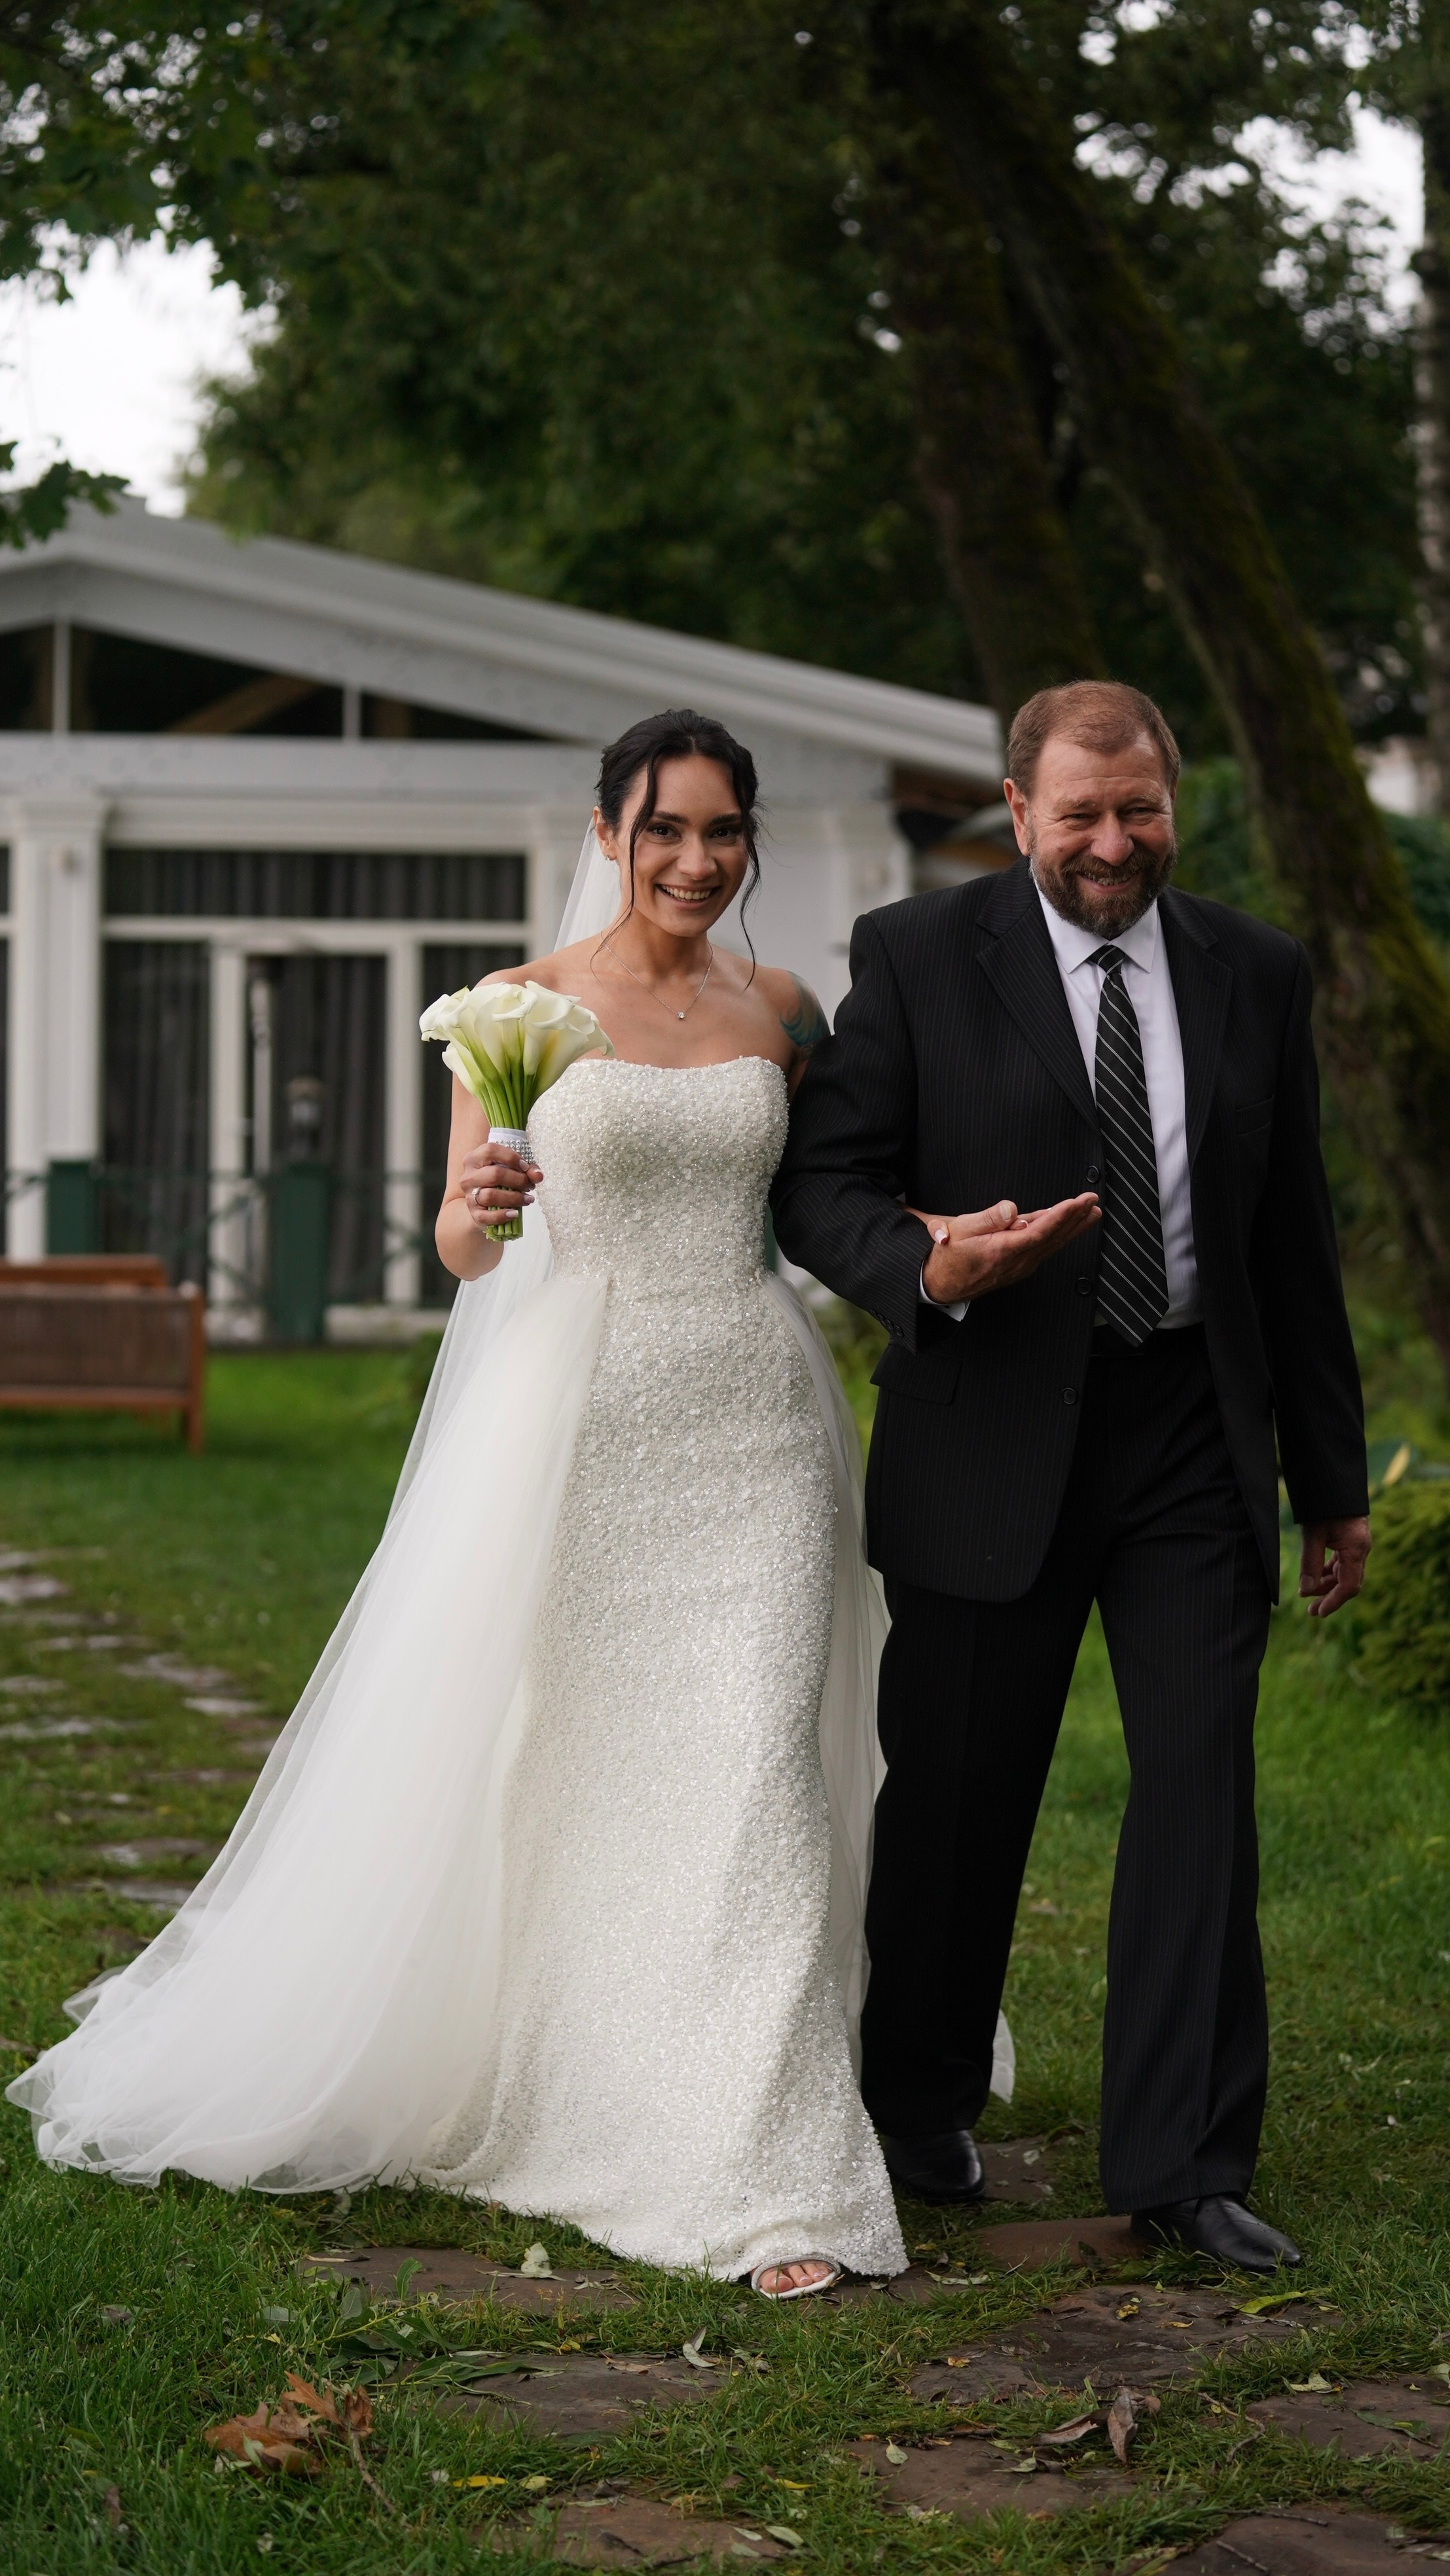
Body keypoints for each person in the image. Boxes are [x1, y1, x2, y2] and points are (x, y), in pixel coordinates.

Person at [10, 707, 941, 2297]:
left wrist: (941, 1240)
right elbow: (460, 1249)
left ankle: (765, 2162)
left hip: (760, 1423)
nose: (695, 861)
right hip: (584, 1418)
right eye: (665, 830)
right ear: (607, 834)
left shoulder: (783, 1010)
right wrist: (476, 1202)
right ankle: (592, 2075)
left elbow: (829, 1197)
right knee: (585, 1766)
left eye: (723, 832)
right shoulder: (517, 1011)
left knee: (756, 1766)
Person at [772, 679, 1369, 2274]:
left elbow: (1289, 1243)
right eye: (1081, 814)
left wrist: (1330, 1477)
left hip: (1188, 1430)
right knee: (961, 1795)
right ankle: (914, 2104)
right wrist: (929, 1266)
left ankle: (1179, 2161)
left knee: (1197, 1791)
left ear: (1173, 801)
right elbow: (822, 1188)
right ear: (1019, 810)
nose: (1114, 843)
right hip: (989, 1422)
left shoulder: (1255, 970)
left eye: (1141, 810)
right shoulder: (913, 955)